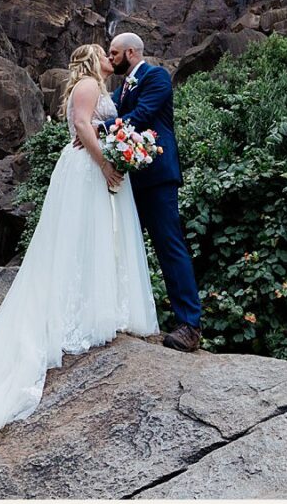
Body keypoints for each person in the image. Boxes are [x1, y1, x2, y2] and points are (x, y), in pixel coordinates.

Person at [0, 43, 157, 435]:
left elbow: (101, 126)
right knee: (80, 240)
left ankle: (100, 305)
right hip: (88, 168)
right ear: (94, 60)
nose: (113, 59)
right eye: (106, 54)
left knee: (95, 239)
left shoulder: (100, 87)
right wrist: (107, 164)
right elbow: (81, 127)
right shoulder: (89, 86)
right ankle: (79, 313)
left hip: (93, 166)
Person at [108, 32, 203, 352]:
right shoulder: (120, 89)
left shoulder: (156, 76)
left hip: (158, 177)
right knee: (121, 246)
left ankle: (190, 324)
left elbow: (142, 116)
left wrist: (97, 130)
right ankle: (120, 315)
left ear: (131, 52)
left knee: (169, 246)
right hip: (129, 180)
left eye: (114, 53)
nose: (110, 59)